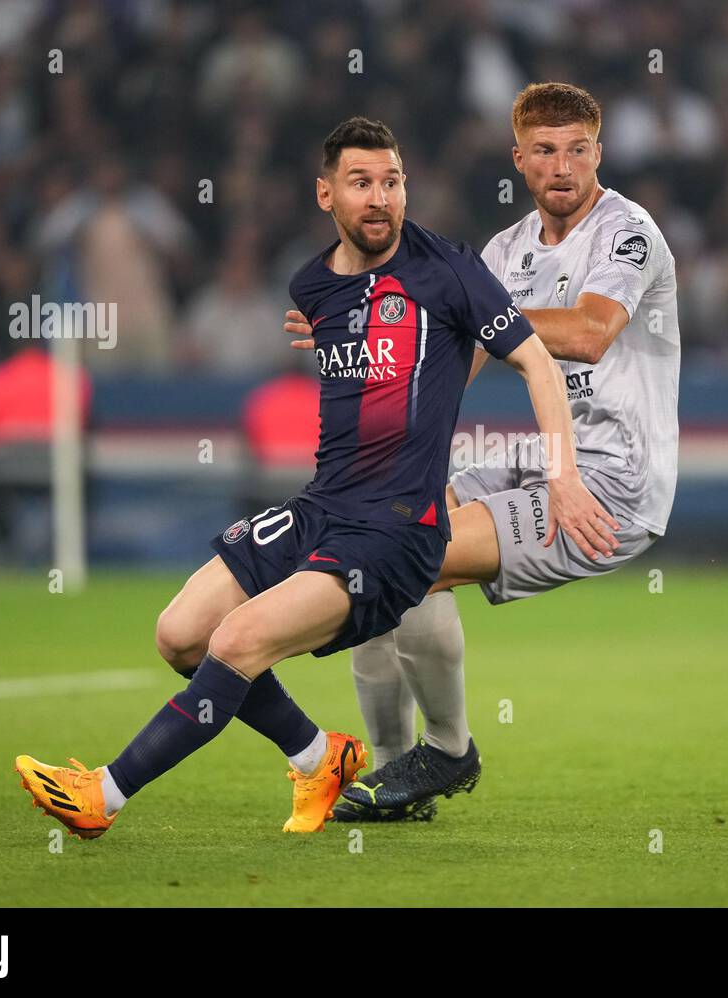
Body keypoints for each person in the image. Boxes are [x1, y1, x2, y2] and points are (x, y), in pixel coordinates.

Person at [14, 115, 615, 836]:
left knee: (237, 643)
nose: (380, 198)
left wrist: (563, 477)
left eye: (391, 182)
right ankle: (314, 755)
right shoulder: (312, 284)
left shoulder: (450, 270)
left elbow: (540, 364)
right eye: (361, 183)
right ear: (325, 194)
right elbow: (362, 331)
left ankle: (101, 797)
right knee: (179, 635)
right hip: (319, 508)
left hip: (395, 532)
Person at [286, 83, 681, 821]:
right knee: (373, 545)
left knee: (411, 558)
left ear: (599, 153)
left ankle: (449, 748)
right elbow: (441, 367)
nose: (562, 167)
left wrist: (456, 309)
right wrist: (366, 330)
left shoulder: (629, 232)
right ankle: (394, 772)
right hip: (536, 459)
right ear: (519, 160)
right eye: (544, 152)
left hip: (612, 480)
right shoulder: (503, 251)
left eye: (578, 150)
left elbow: (591, 331)